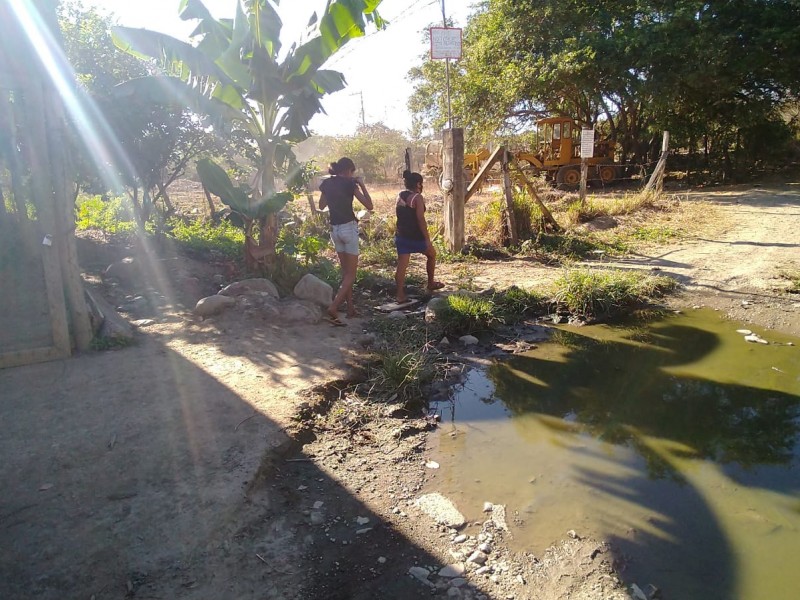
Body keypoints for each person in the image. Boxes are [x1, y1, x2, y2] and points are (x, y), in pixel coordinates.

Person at [319, 157, 373, 325]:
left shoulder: (327, 184)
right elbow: (369, 205)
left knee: (345, 272)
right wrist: (361, 185)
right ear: (349, 170)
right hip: (348, 228)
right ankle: (334, 307)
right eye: (353, 172)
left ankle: (350, 308)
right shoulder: (350, 185)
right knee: (352, 273)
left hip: (334, 229)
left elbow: (321, 205)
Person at [394, 170, 444, 303]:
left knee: (402, 265)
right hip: (415, 237)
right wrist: (427, 239)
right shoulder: (417, 198)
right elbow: (421, 220)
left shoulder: (400, 196)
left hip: (401, 235)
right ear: (418, 184)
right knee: (431, 254)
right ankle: (430, 283)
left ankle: (399, 294)